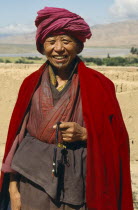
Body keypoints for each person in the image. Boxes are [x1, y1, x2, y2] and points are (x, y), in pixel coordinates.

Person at [0, 6, 133, 210]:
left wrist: (86, 134)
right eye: (51, 41)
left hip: (77, 189)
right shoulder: (30, 84)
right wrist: (13, 189)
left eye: (67, 41)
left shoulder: (100, 85)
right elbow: (16, 140)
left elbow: (118, 141)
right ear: (42, 46)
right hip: (31, 185)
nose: (59, 48)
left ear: (78, 46)